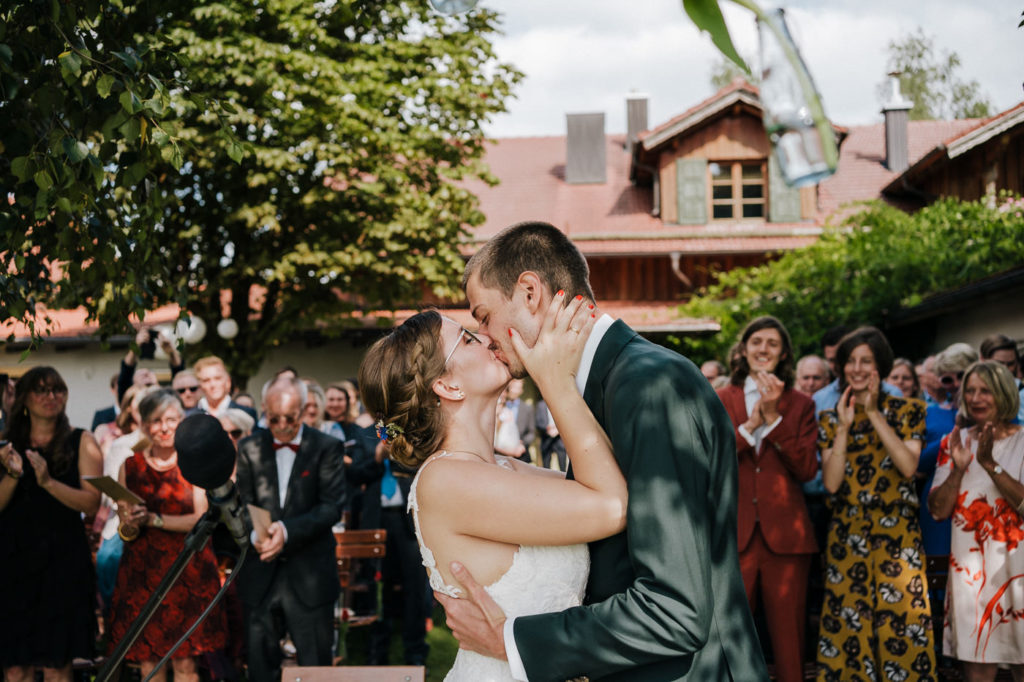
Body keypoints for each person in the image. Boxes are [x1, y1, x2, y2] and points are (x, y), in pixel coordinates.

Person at [441, 221, 767, 681]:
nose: (484, 335)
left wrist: (510, 640)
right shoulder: (601, 384)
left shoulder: (650, 387)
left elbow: (675, 609)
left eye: (483, 315)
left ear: (530, 292)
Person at [358, 295, 627, 680]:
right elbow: (612, 507)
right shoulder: (445, 481)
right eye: (468, 339)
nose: (487, 337)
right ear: (448, 385)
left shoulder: (505, 468)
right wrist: (554, 379)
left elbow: (608, 482)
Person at [817, 327, 936, 681]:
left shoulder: (909, 410)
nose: (856, 368)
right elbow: (831, 483)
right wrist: (844, 427)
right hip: (847, 532)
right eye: (850, 361)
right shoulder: (831, 418)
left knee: (904, 625)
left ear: (880, 366)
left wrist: (874, 414)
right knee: (848, 629)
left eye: (865, 361)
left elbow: (909, 466)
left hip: (897, 534)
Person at [716, 316, 818, 682]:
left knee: (790, 641)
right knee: (730, 635)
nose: (763, 349)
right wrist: (750, 428)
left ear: (784, 353)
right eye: (756, 341)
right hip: (735, 534)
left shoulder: (802, 403)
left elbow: (806, 469)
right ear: (743, 349)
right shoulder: (720, 398)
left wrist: (774, 419)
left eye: (772, 343)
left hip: (787, 539)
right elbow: (711, 460)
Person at [107, 389, 227, 682]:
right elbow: (126, 532)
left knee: (186, 662)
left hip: (187, 568)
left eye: (171, 420)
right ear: (144, 425)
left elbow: (200, 519)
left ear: (182, 421)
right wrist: (129, 520)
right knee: (149, 664)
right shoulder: (130, 466)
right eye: (156, 420)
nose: (164, 428)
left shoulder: (192, 462)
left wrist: (153, 519)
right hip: (143, 572)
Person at [234, 376, 347, 682]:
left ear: (304, 409)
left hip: (310, 576)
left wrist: (286, 531)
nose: (283, 426)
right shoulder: (248, 447)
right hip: (260, 576)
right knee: (260, 670)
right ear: (263, 409)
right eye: (274, 418)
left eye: (291, 418)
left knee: (315, 670)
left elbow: (331, 507)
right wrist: (256, 535)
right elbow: (242, 504)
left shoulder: (327, 447)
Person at [0, 367, 103, 682]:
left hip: (62, 562)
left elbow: (91, 504)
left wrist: (48, 482)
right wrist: (14, 475)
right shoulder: (6, 445)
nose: (51, 396)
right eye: (41, 390)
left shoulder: (82, 441)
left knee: (57, 664)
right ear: (24, 398)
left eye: (57, 389)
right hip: (13, 564)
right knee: (15, 667)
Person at [928, 361, 1024, 680]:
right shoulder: (953, 441)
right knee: (978, 670)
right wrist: (958, 469)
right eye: (970, 391)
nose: (976, 398)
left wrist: (989, 464)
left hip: (1018, 577)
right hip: (972, 582)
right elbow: (938, 511)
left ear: (1004, 393)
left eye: (986, 390)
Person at [920, 342, 979, 559]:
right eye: (947, 379)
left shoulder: (993, 410)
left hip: (980, 497)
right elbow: (919, 463)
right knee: (940, 568)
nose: (955, 384)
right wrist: (956, 431)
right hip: (940, 498)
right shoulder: (931, 413)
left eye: (961, 375)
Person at [194, 356, 257, 420]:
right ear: (200, 386)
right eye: (206, 380)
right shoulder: (192, 416)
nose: (213, 384)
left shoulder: (247, 413)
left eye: (218, 378)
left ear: (228, 382)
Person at [979, 333, 1024, 422]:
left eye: (1010, 364)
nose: (1005, 370)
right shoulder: (972, 394)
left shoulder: (1021, 393)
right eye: (999, 364)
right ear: (983, 360)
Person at [534, 398, 567, 471]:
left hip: (559, 439)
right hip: (546, 438)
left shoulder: (561, 404)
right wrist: (547, 429)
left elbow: (566, 420)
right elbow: (538, 422)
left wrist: (558, 429)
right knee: (546, 468)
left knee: (562, 467)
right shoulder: (540, 405)